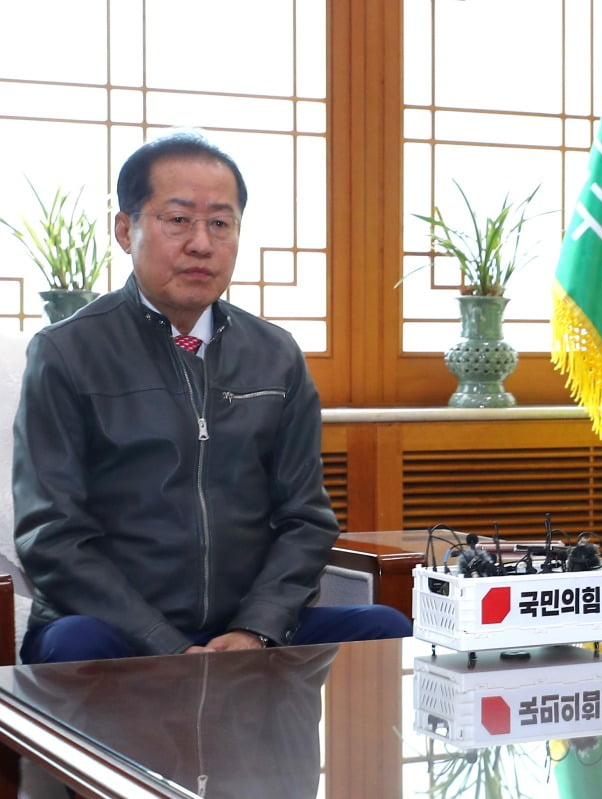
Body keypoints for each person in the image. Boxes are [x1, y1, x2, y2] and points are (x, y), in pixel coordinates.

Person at [13, 130, 412, 664]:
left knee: (383, 627)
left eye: (220, 224)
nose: (201, 243)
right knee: (75, 645)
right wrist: (167, 646)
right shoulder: (66, 353)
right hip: (116, 630)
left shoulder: (276, 355)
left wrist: (255, 630)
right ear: (125, 229)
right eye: (177, 220)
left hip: (243, 629)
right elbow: (52, 537)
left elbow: (306, 520)